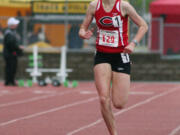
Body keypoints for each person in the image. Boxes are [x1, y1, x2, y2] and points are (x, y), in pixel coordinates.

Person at [79, 0, 148, 134]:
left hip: (121, 55)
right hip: (102, 55)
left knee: (119, 103)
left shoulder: (124, 6)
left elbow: (144, 25)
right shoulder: (94, 5)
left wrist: (133, 43)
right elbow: (83, 27)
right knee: (103, 98)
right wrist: (82, 32)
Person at [3, 17, 23, 86]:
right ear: (11, 25)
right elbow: (11, 44)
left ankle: (11, 80)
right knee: (10, 67)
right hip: (9, 53)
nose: (16, 25)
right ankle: (9, 81)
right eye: (15, 24)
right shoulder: (9, 33)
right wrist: (18, 48)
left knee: (13, 67)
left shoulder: (13, 32)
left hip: (12, 53)